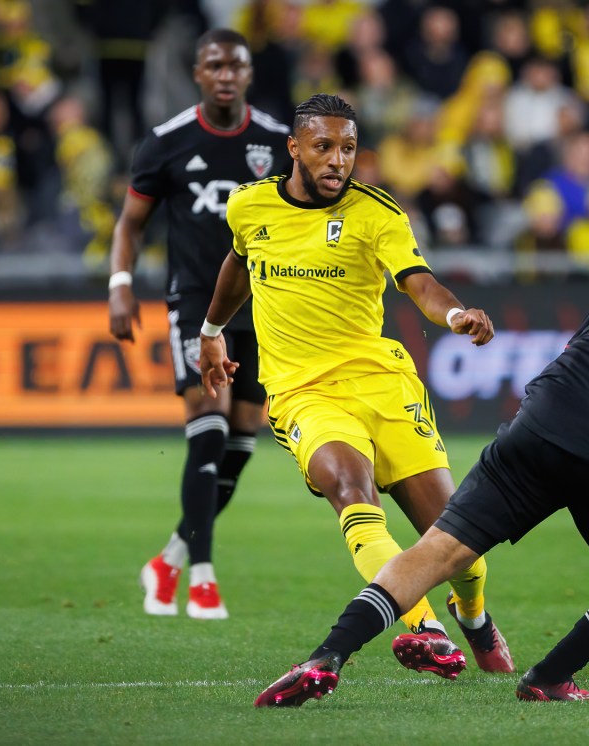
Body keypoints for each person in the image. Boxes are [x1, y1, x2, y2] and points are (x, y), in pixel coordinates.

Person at [246, 198, 589, 707]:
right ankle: (550, 676)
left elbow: (583, 354)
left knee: (440, 548)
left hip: (538, 422)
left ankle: (325, 656)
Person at [198, 93, 514, 677]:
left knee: (458, 542)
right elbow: (238, 263)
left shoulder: (377, 213)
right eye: (323, 146)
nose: (337, 159)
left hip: (381, 385)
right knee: (350, 488)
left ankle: (473, 616)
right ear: (294, 148)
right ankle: (425, 627)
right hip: (303, 393)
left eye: (347, 148)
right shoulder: (249, 205)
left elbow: (419, 283)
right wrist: (212, 331)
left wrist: (454, 315)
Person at [107, 29, 292, 620]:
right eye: (215, 65)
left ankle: (168, 560)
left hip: (259, 305)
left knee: (241, 441)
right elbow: (130, 223)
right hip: (193, 303)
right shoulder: (167, 142)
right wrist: (120, 284)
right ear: (198, 73)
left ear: (248, 73)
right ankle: (203, 579)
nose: (225, 75)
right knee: (209, 427)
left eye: (235, 65)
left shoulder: (276, 141)